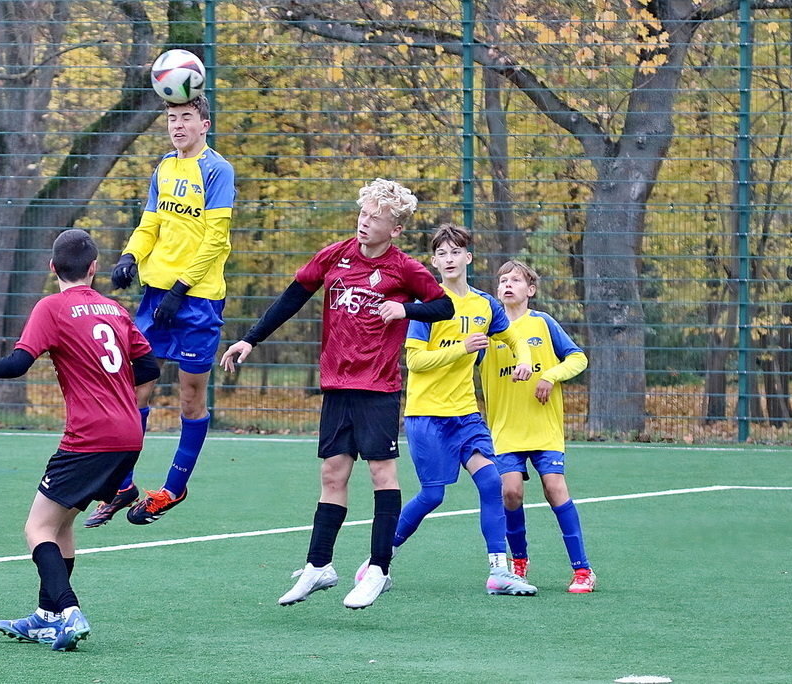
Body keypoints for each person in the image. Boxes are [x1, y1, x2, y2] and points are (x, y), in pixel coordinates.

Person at [220, 178, 454, 609]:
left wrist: (405, 308)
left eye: (376, 218)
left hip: (378, 388)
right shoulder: (335, 255)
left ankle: (379, 569)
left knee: (382, 475)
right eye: (363, 213)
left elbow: (444, 306)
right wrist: (251, 339)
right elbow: (292, 298)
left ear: (395, 229)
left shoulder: (405, 269)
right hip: (336, 386)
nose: (365, 223)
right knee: (332, 475)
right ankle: (319, 565)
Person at [0, 229, 159, 650]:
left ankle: (69, 611)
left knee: (37, 527)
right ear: (94, 268)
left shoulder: (52, 307)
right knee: (62, 524)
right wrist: (116, 397)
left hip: (89, 437)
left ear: (52, 267)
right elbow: (149, 368)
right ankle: (45, 617)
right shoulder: (113, 308)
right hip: (128, 434)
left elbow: (17, 364)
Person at [84, 93, 236, 528]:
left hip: (198, 301)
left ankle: (173, 488)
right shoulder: (164, 167)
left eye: (187, 117)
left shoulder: (217, 170)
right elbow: (150, 223)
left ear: (204, 125)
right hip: (156, 301)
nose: (178, 125)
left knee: (190, 398)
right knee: (134, 392)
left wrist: (181, 288)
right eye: (172, 118)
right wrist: (130, 256)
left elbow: (215, 239)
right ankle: (122, 486)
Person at [366, 224, 537, 596]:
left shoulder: (485, 304)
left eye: (455, 252)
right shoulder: (427, 305)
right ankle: (380, 558)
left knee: (491, 483)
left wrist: (524, 360)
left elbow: (514, 337)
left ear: (467, 258)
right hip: (427, 416)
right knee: (433, 496)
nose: (449, 259)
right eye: (442, 253)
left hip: (466, 416)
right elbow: (416, 361)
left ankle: (499, 571)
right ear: (434, 261)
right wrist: (462, 348)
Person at [478, 260, 594, 593]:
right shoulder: (487, 331)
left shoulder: (542, 323)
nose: (507, 284)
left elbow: (578, 358)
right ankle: (519, 562)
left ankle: (583, 570)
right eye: (503, 280)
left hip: (544, 427)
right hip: (505, 429)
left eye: (516, 280)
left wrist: (550, 375)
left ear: (530, 290)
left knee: (555, 488)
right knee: (510, 492)